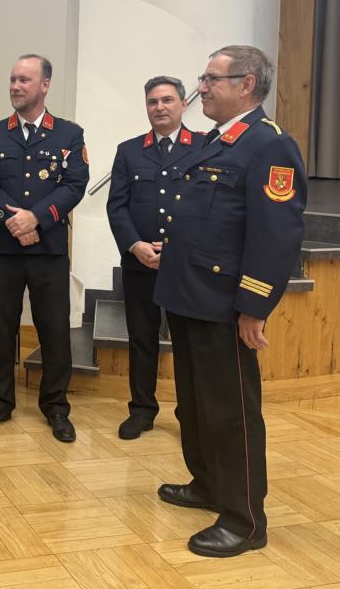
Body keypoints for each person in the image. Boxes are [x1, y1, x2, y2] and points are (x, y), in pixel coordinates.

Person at [154, 46, 306, 558]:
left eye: (211, 79)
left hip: (222, 303)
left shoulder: (269, 145)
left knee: (231, 412)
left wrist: (254, 305)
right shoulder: (218, 140)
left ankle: (244, 520)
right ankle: (208, 484)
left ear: (246, 84)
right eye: (202, 78)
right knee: (195, 405)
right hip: (187, 295)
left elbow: (276, 236)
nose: (201, 88)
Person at [0, 54, 89, 442]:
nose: (15, 86)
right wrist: (14, 222)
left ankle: (55, 406)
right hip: (4, 249)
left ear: (45, 85)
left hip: (48, 249)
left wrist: (36, 219)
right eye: (12, 79)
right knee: (0, 330)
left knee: (54, 331)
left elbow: (74, 185)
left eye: (24, 80)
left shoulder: (69, 134)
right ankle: (0, 402)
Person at [106, 76, 202, 440]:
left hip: (184, 267)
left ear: (183, 104)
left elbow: (206, 208)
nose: (159, 107)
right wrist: (134, 245)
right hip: (140, 263)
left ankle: (189, 412)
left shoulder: (204, 147)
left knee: (187, 343)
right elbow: (117, 206)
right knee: (141, 338)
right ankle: (142, 410)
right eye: (152, 102)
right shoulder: (129, 151)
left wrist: (177, 249)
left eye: (167, 100)